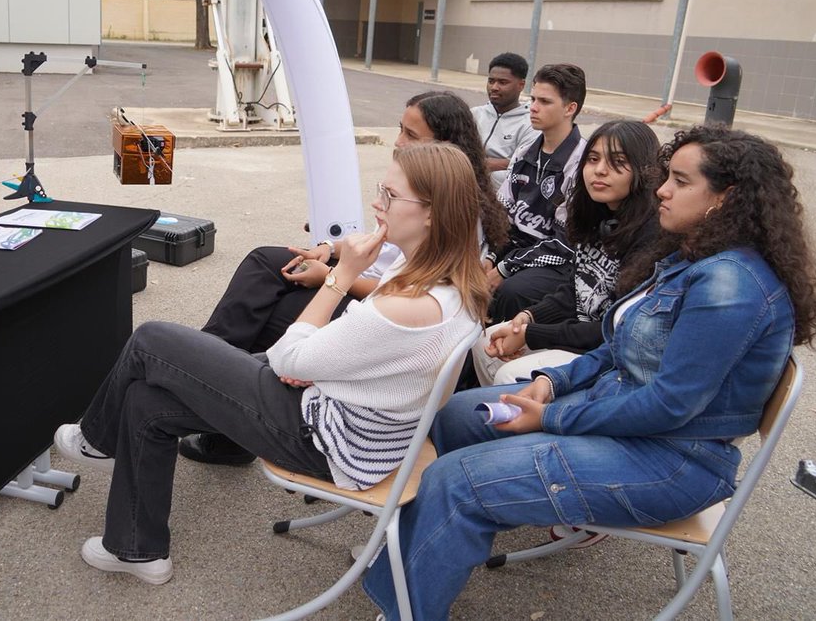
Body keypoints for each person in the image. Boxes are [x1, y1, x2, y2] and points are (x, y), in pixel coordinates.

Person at [362, 125, 816, 620]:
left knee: (456, 480)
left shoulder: (730, 286)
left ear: (725, 198)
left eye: (681, 182)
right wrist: (551, 383)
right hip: (629, 430)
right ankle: (434, 554)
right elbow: (618, 345)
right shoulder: (694, 258)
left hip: (670, 462)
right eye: (667, 176)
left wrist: (549, 419)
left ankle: (408, 603)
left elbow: (669, 405)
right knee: (458, 414)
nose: (663, 189)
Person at [54, 143, 490, 585]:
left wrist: (341, 277)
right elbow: (332, 356)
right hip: (357, 424)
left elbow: (289, 357)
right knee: (148, 399)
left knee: (151, 340)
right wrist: (307, 359)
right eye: (381, 189)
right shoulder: (449, 285)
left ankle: (98, 439)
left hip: (323, 437)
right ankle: (135, 549)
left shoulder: (405, 302)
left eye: (391, 196)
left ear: (432, 213)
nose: (377, 202)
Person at [181, 91, 507, 465]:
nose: (399, 142)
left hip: (370, 310)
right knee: (267, 262)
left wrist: (335, 278)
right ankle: (213, 387)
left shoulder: (445, 221)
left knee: (271, 312)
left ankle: (209, 388)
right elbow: (382, 249)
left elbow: (396, 296)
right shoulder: (418, 197)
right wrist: (329, 250)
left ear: (444, 147)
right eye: (401, 130)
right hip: (371, 295)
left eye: (412, 136)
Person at [474, 120, 661, 386]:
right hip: (575, 331)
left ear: (644, 170)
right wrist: (530, 316)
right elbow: (576, 289)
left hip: (606, 354)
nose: (600, 170)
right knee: (484, 345)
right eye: (593, 159)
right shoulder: (596, 215)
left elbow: (611, 328)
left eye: (617, 161)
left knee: (508, 374)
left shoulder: (650, 236)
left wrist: (532, 334)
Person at [485, 63, 589, 323]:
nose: (533, 107)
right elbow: (503, 218)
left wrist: (504, 268)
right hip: (518, 250)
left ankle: (497, 352)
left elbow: (565, 244)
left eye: (544, 101)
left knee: (511, 291)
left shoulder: (583, 162)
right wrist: (489, 258)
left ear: (570, 108)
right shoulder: (524, 153)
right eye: (532, 99)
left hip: (557, 260)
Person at [471, 53, 538, 190]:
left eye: (502, 82)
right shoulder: (474, 114)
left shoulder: (530, 123)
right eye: (491, 81)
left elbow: (524, 164)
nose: (494, 87)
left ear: (521, 85)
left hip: (501, 195)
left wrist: (485, 164)